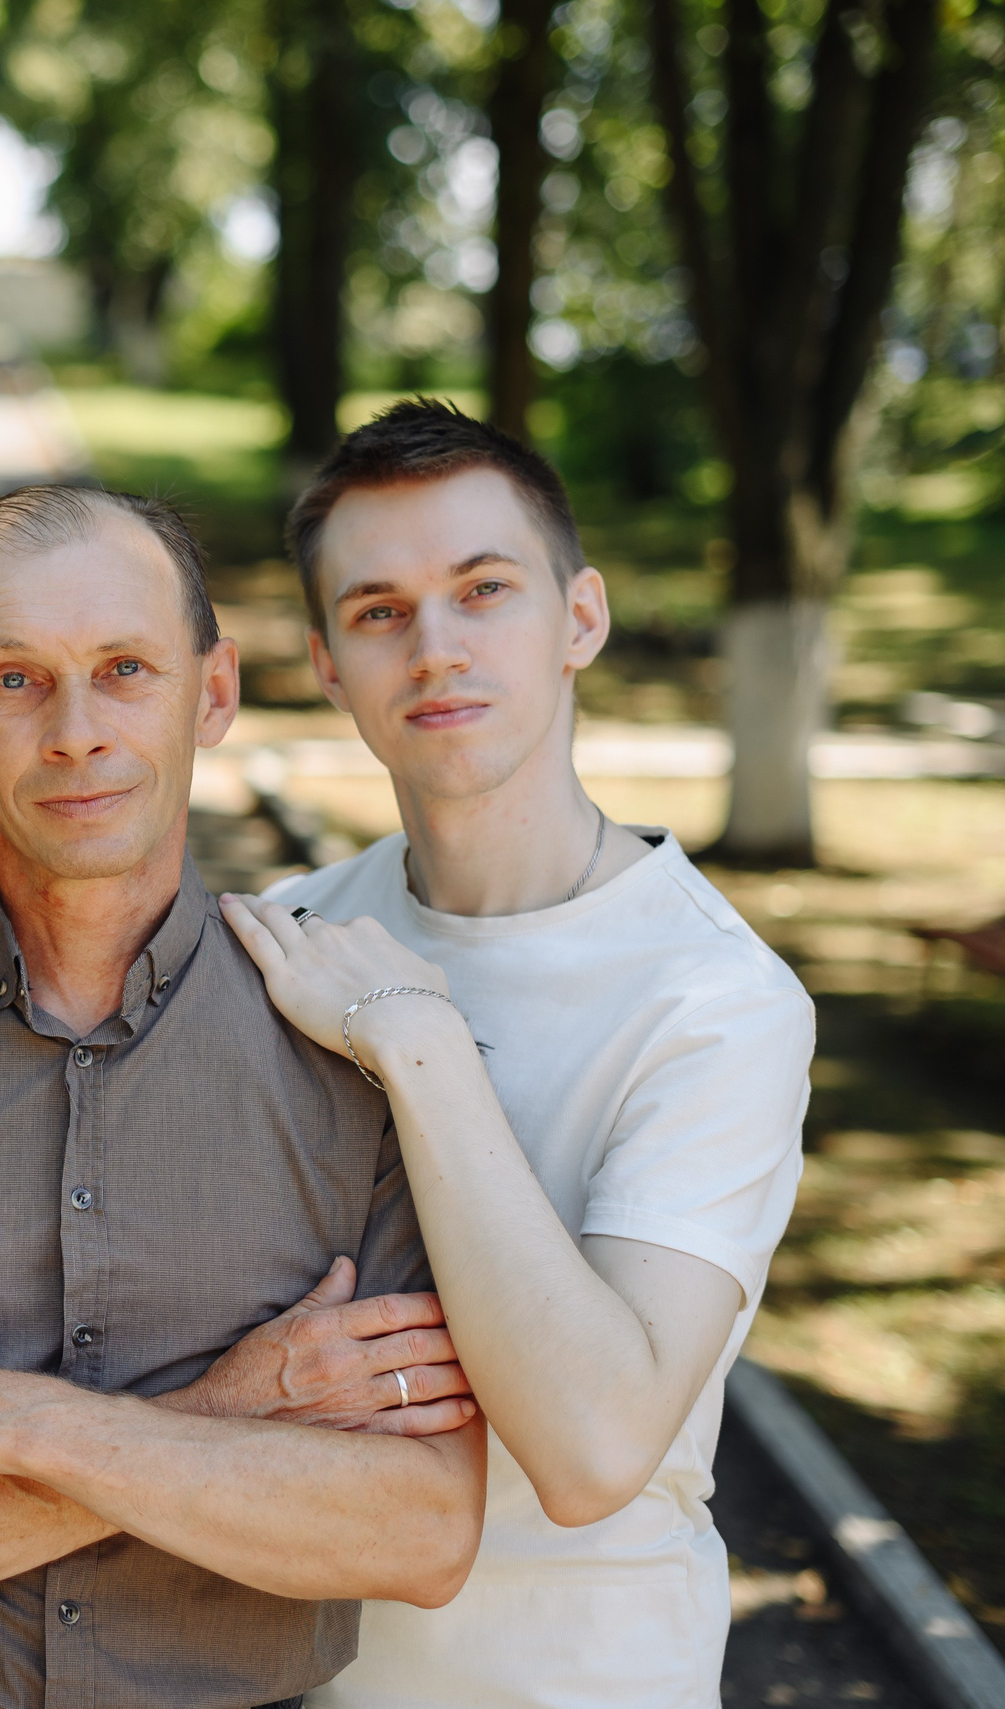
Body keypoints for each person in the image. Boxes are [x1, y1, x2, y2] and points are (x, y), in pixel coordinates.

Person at [0, 485, 487, 1709]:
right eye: (17, 680)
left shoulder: (356, 1049)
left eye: (125, 668)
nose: (75, 731)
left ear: (210, 693)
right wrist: (235, 1411)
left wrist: (4, 1425)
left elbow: (417, 1530)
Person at [228, 399, 813, 1707]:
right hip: (306, 1664)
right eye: (379, 611)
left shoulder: (716, 1001)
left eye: (483, 589)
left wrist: (422, 1049)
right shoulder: (296, 934)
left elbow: (595, 1445)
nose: (436, 648)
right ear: (327, 663)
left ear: (580, 620)